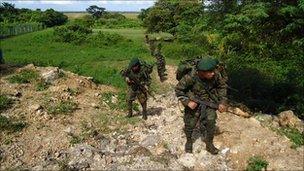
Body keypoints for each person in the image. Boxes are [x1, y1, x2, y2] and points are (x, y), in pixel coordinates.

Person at [175, 57, 228, 154]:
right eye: (210, 71)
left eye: (213, 70)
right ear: (202, 72)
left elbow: (222, 87)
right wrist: (187, 102)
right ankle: (189, 141)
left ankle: (209, 144)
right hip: (194, 101)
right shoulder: (190, 77)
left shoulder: (215, 75)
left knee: (211, 122)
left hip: (209, 102)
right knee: (190, 123)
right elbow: (178, 90)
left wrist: (222, 102)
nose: (213, 73)